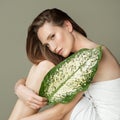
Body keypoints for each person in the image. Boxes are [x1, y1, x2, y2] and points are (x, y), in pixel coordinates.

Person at [9, 8, 120, 120]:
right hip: (92, 110)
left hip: (100, 117)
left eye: (52, 36)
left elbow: (59, 113)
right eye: (47, 45)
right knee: (42, 66)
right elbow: (34, 76)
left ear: (67, 26)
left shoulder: (92, 56)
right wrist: (19, 87)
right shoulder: (79, 56)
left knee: (45, 67)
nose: (52, 48)